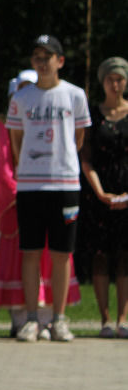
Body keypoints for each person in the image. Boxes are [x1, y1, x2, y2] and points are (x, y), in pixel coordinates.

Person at [8, 36, 91, 343]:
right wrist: (28, 167)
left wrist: (60, 160)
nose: (42, 62)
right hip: (30, 184)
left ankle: (58, 319)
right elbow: (16, 140)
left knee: (61, 253)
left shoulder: (75, 95)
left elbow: (78, 138)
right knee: (30, 252)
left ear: (60, 61)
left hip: (65, 183)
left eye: (48, 56)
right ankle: (31, 319)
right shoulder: (21, 98)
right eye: (37, 56)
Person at [79, 56, 128, 338]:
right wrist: (100, 193)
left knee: (124, 256)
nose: (115, 83)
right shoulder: (93, 115)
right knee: (100, 256)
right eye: (110, 79)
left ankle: (123, 318)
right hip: (99, 192)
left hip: (127, 190)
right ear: (103, 82)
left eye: (120, 78)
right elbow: (86, 158)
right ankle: (105, 319)